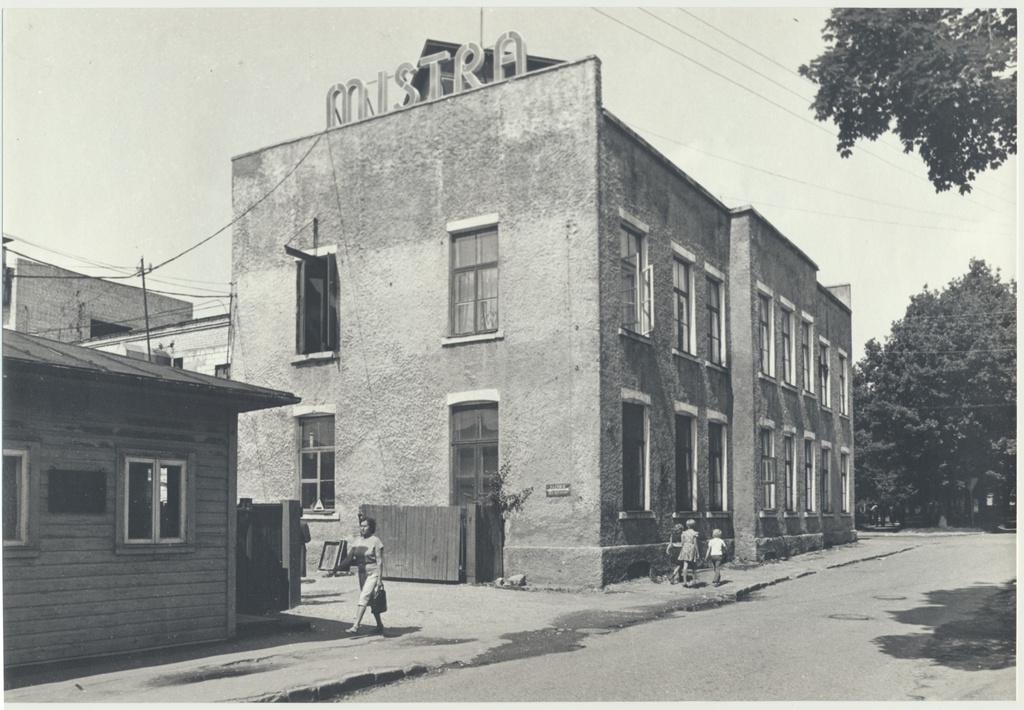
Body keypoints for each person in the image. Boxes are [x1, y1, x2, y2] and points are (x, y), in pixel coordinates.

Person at [338, 516, 385, 635]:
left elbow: (379, 561)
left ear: (371, 528)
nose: (362, 528)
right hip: (362, 573)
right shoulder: (358, 541)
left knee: (364, 596)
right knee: (371, 600)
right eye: (361, 526)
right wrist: (336, 568)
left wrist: (380, 579)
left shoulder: (376, 541)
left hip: (373, 573)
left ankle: (356, 626)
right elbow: (349, 558)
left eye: (365, 526)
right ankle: (379, 625)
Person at [678, 519, 700, 587]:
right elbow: (695, 543)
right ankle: (694, 581)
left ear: (687, 525)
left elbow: (682, 543)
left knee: (685, 565)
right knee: (693, 565)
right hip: (691, 547)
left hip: (685, 547)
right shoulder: (694, 533)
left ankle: (685, 581)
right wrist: (698, 552)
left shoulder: (684, 533)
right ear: (694, 525)